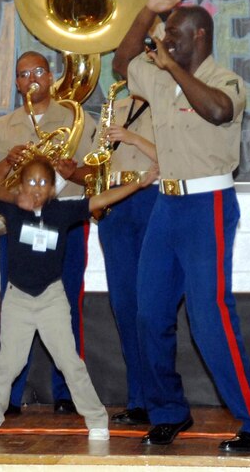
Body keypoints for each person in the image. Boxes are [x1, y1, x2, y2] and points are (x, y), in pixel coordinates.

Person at [111, 0, 250, 452]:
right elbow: (122, 63)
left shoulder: (223, 78)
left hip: (208, 204)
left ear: (199, 36)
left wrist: (171, 67)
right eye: (164, 38)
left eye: (174, 36)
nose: (165, 44)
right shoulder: (158, 75)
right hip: (167, 204)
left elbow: (218, 112)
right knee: (150, 313)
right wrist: (148, 10)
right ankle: (169, 410)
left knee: (210, 318)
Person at [0, 157, 158, 440]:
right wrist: (13, 196)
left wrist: (138, 184)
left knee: (70, 363)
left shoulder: (61, 212)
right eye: (31, 182)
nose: (36, 188)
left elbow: (100, 200)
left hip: (51, 299)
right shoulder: (12, 208)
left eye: (43, 182)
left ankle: (96, 419)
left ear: (52, 189)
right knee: (7, 364)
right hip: (17, 299)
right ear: (22, 185)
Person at [0, 51, 99, 415]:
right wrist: (7, 162)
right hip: (19, 229)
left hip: (65, 224)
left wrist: (72, 172)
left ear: (51, 77)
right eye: (22, 74)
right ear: (16, 83)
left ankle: (67, 394)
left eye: (38, 72)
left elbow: (96, 177)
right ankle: (11, 395)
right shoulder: (3, 126)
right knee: (14, 307)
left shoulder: (77, 118)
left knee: (69, 305)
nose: (31, 78)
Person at [97, 94, 159, 426]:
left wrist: (130, 136)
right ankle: (137, 397)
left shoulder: (167, 100)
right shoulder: (114, 107)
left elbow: (176, 157)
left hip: (152, 196)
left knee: (151, 306)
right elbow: (96, 158)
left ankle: (159, 395)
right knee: (124, 305)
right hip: (115, 201)